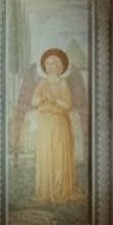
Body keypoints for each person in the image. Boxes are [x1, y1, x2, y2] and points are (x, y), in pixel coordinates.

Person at [30, 48, 82, 203]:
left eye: (52, 63)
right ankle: (46, 190)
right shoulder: (43, 83)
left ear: (59, 66)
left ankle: (60, 190)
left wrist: (53, 100)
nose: (48, 67)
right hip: (46, 122)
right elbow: (33, 102)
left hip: (59, 123)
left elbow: (67, 105)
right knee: (47, 153)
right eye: (47, 64)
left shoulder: (62, 83)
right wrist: (42, 98)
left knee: (58, 154)